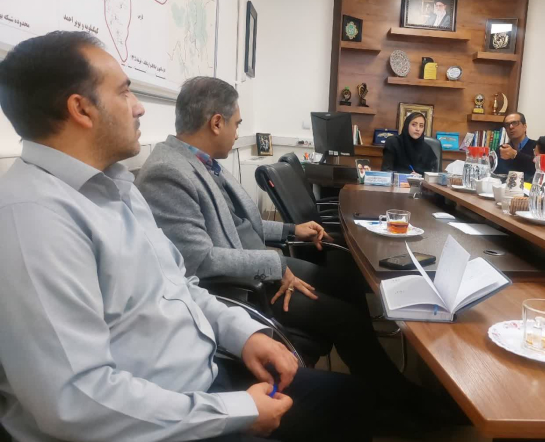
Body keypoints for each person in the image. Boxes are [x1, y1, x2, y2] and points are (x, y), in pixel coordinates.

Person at [0, 31, 371, 442]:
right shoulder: (32, 219)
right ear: (81, 109)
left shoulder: (116, 186)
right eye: (124, 92)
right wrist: (237, 411)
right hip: (157, 416)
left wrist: (243, 334)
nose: (139, 107)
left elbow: (179, 284)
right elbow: (76, 401)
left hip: (203, 377)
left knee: (349, 401)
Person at [135, 77, 431, 429]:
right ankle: (397, 403)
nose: (237, 132)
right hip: (241, 287)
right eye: (236, 124)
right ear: (216, 123)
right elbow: (198, 261)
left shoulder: (202, 162)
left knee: (348, 283)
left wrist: (291, 230)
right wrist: (274, 264)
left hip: (258, 266)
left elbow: (241, 223)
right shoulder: (168, 173)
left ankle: (384, 388)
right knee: (345, 319)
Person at [494, 112, 536, 180]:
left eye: (515, 123)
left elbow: (538, 167)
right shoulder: (502, 150)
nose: (511, 127)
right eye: (507, 124)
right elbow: (495, 175)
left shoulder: (537, 147)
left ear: (524, 126)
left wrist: (515, 155)